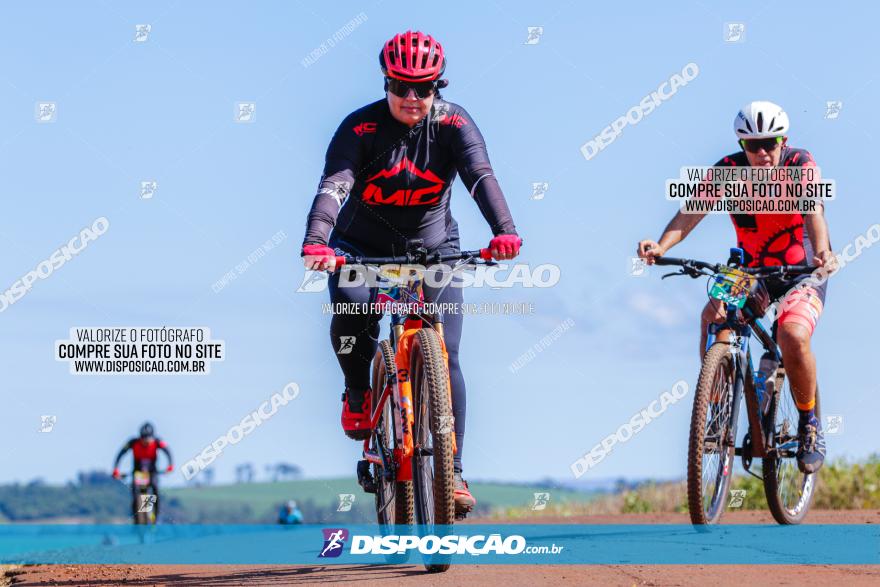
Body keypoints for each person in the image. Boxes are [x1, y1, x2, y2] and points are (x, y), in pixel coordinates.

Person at [301, 31, 521, 514]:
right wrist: (317, 239)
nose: (412, 98)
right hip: (360, 248)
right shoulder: (358, 129)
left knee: (449, 354)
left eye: (424, 88)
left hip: (434, 249)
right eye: (401, 87)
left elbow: (481, 176)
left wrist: (504, 230)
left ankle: (453, 471)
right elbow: (335, 185)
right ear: (386, 83)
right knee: (354, 312)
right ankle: (359, 391)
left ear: (437, 87)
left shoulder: (454, 123)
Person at [637, 101, 832, 473]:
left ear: (783, 141)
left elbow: (813, 211)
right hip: (751, 268)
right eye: (752, 145)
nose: (761, 153)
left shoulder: (799, 165)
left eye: (769, 144)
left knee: (791, 334)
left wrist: (822, 252)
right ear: (741, 145)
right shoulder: (728, 171)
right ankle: (716, 409)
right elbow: (691, 211)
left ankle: (809, 424)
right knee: (713, 315)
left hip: (802, 267)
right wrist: (662, 246)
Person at [112, 422, 174, 517]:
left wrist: (170, 465)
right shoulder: (133, 443)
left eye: (148, 439)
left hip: (152, 472)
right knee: (135, 493)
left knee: (155, 489)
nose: (146, 441)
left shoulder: (157, 442)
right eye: (144, 439)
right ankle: (136, 517)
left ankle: (155, 517)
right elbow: (121, 453)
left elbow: (167, 451)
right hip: (138, 473)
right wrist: (116, 468)